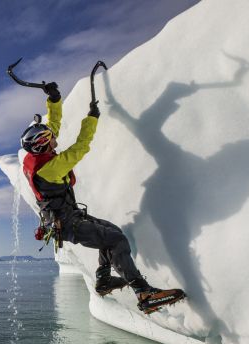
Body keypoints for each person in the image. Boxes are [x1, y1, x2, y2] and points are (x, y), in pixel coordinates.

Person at [20, 82, 184, 313]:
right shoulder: (51, 168)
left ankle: (104, 280)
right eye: (51, 138)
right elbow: (81, 146)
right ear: (43, 145)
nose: (55, 138)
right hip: (67, 223)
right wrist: (92, 118)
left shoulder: (35, 158)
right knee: (115, 240)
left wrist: (54, 99)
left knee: (112, 232)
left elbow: (53, 125)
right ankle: (144, 293)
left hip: (67, 217)